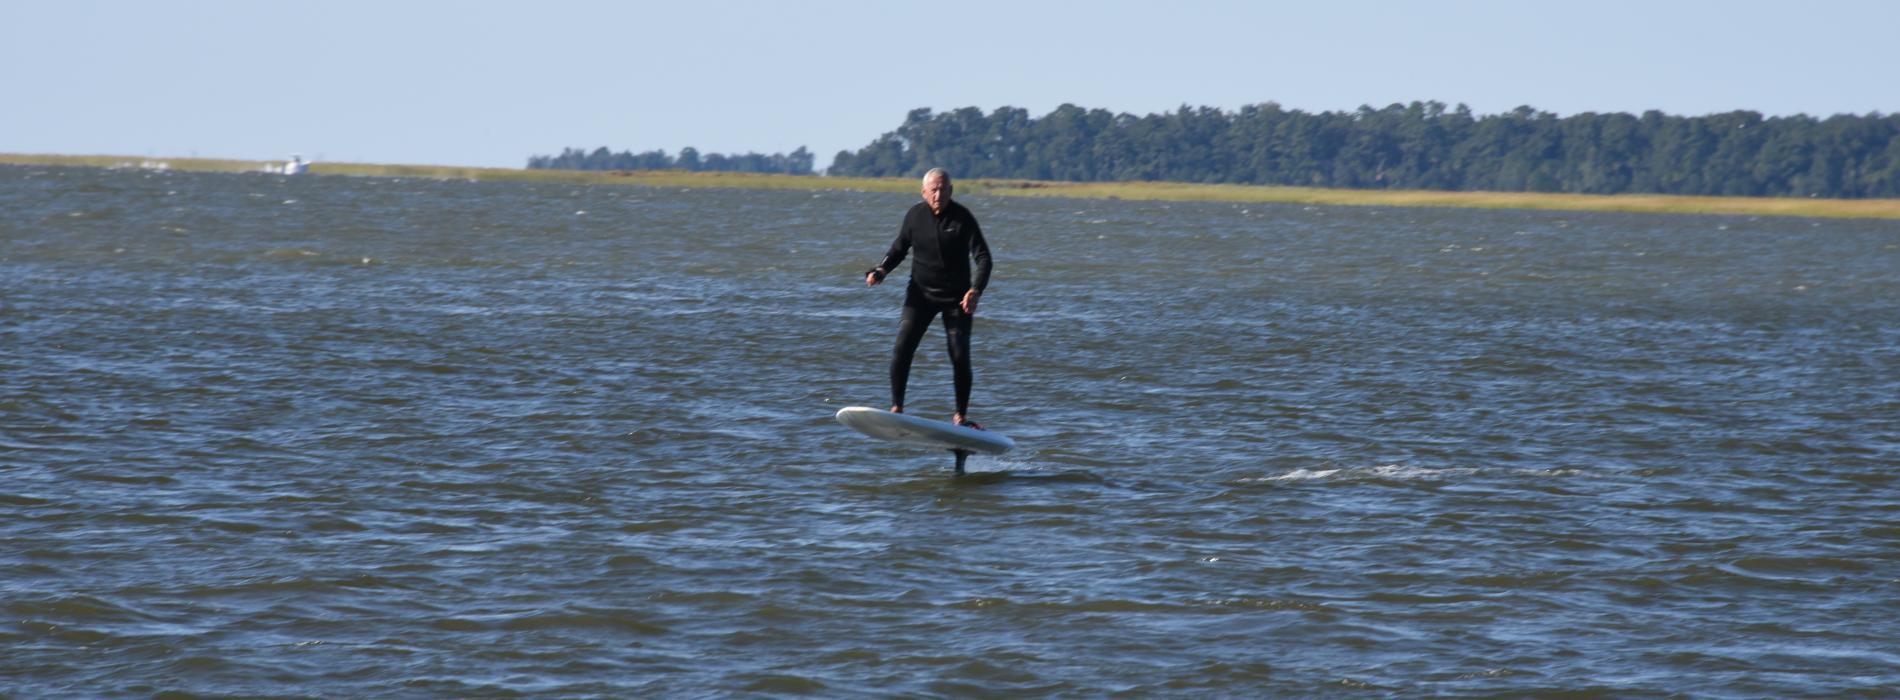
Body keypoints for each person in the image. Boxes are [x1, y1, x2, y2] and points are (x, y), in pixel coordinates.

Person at [865, 168, 993, 429]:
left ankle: (960, 416)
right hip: (920, 295)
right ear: (923, 192)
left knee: (959, 354)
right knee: (902, 347)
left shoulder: (963, 218)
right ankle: (897, 407)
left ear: (951, 191)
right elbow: (899, 248)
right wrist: (881, 270)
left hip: (956, 299)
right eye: (933, 190)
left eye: (943, 189)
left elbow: (983, 258)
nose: (938, 194)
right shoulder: (915, 216)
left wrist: (975, 290)